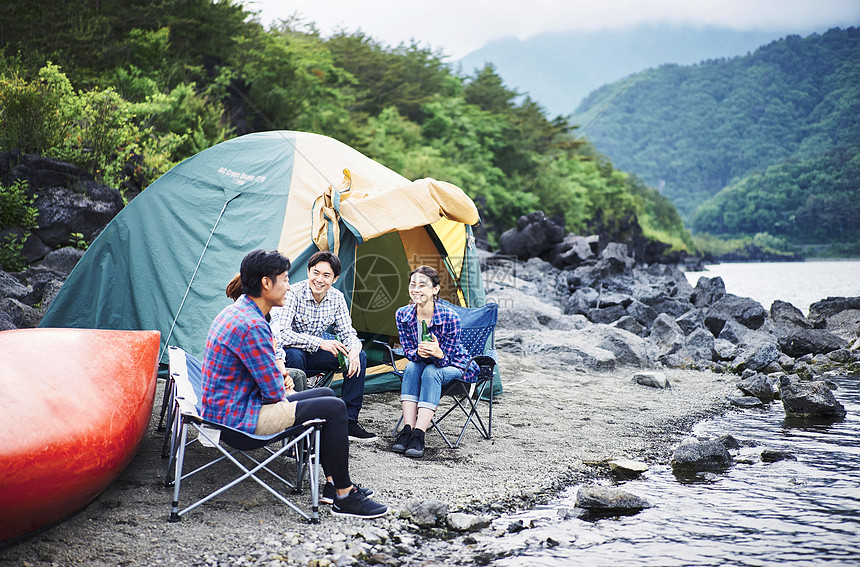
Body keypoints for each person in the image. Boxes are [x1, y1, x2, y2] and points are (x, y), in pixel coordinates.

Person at [201, 249, 387, 518]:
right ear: (266, 283)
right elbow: (274, 393)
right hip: (240, 422)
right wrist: (284, 382)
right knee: (334, 409)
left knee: (325, 394)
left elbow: (265, 380)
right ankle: (345, 495)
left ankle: (334, 486)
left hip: (232, 407)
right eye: (285, 279)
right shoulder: (252, 325)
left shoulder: (241, 311)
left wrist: (281, 380)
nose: (289, 285)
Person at [270, 251, 376, 442]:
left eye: (326, 275)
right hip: (290, 355)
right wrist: (319, 342)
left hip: (316, 355)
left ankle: (350, 421)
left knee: (359, 357)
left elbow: (348, 333)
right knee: (295, 355)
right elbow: (283, 334)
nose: (319, 280)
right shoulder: (293, 293)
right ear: (308, 272)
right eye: (315, 273)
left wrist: (353, 350)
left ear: (335, 279)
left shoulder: (336, 298)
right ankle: (299, 422)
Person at [392, 265, 477, 458]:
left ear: (435, 290)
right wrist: (419, 353)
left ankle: (419, 435)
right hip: (423, 364)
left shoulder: (450, 317)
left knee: (432, 371)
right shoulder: (403, 315)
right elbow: (408, 351)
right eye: (413, 284)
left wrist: (438, 354)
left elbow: (448, 358)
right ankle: (407, 430)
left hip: (456, 365)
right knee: (413, 366)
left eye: (422, 285)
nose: (416, 290)